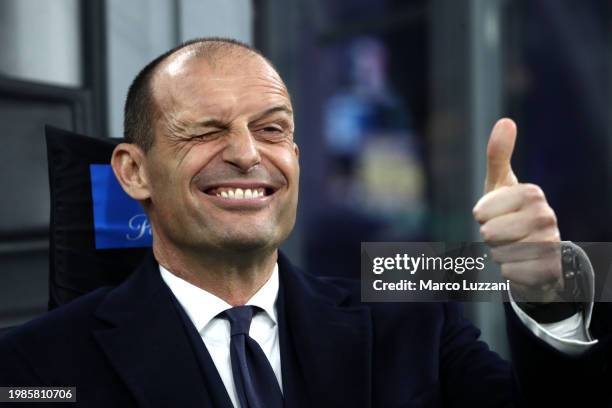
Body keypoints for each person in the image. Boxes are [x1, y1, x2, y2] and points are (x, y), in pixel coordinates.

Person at [0, 38, 610, 407]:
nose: (246, 153)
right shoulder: (37, 369)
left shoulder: (413, 325)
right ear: (134, 172)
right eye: (207, 131)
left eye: (272, 129)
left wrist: (542, 292)